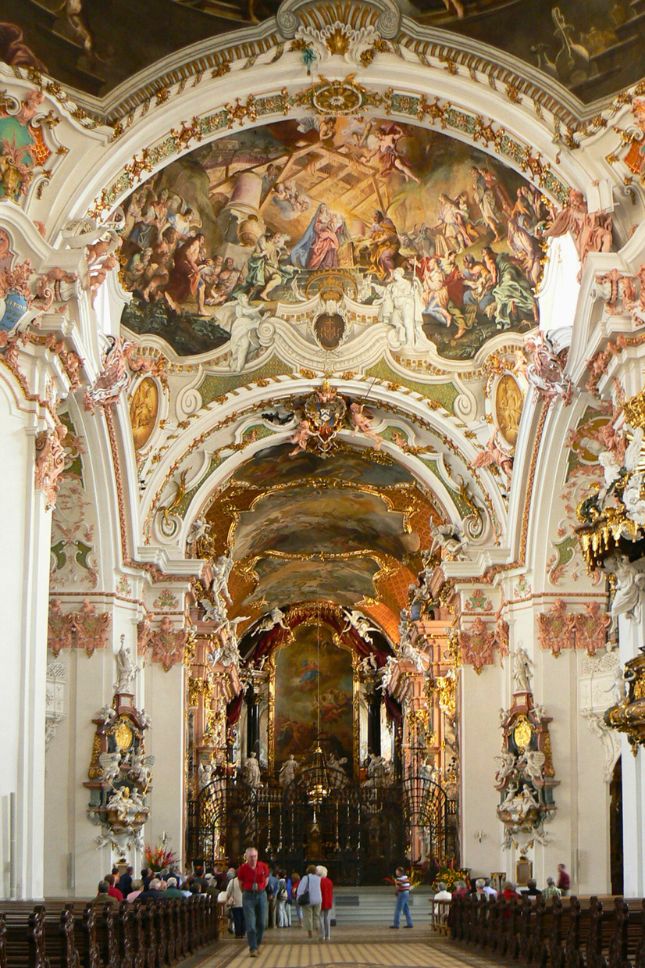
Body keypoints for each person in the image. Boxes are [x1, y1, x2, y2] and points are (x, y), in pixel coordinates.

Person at [237, 846, 270, 958]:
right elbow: (240, 883)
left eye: (255, 856)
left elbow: (266, 880)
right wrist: (247, 891)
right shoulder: (243, 868)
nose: (253, 859)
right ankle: (253, 948)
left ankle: (257, 943)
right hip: (248, 896)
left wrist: (260, 889)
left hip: (261, 895)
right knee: (250, 924)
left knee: (262, 923)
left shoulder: (263, 866)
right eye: (251, 857)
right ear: (246, 857)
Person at [297, 864, 322, 939]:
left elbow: (301, 888)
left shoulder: (306, 878)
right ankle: (318, 932)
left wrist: (298, 897)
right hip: (318, 899)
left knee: (308, 916)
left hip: (308, 899)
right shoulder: (319, 878)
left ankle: (310, 934)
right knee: (316, 916)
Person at [225, 869, 245, 939]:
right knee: (244, 918)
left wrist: (228, 898)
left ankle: (238, 933)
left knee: (237, 918)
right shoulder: (246, 880)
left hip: (235, 902)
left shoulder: (232, 881)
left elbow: (228, 891)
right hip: (245, 902)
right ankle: (243, 932)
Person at [317, 865, 334, 942]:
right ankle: (328, 935)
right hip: (328, 901)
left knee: (320, 918)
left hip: (320, 901)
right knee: (327, 918)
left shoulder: (318, 881)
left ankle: (322, 935)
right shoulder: (329, 881)